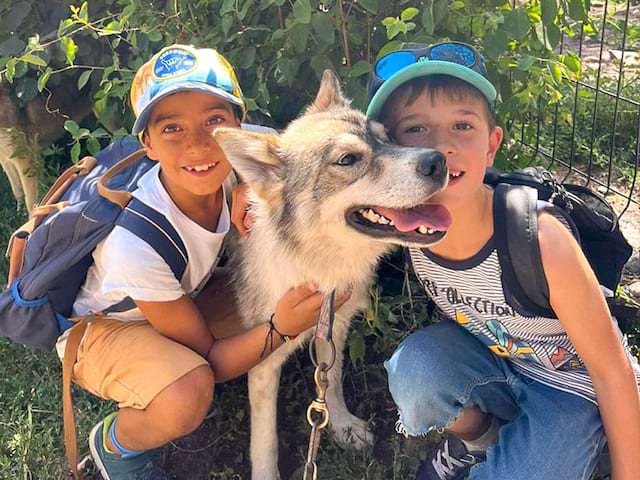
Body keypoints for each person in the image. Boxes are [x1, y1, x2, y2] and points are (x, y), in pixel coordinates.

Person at [58, 44, 348, 480]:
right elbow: (210, 358)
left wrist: (242, 188)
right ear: (148, 145)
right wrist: (280, 328)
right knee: (191, 388)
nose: (198, 144)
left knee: (286, 296)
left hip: (181, 300)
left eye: (214, 121)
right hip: (105, 328)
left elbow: (292, 150)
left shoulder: (236, 159)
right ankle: (116, 444)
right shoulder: (135, 245)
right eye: (172, 128)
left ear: (237, 125)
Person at [365, 41, 640, 480]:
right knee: (414, 371)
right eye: (415, 130)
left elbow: (613, 370)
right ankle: (481, 441)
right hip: (498, 362)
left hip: (574, 388)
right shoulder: (406, 225)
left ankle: (595, 447)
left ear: (492, 146)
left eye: (462, 125)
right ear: (385, 150)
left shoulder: (538, 237)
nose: (441, 147)